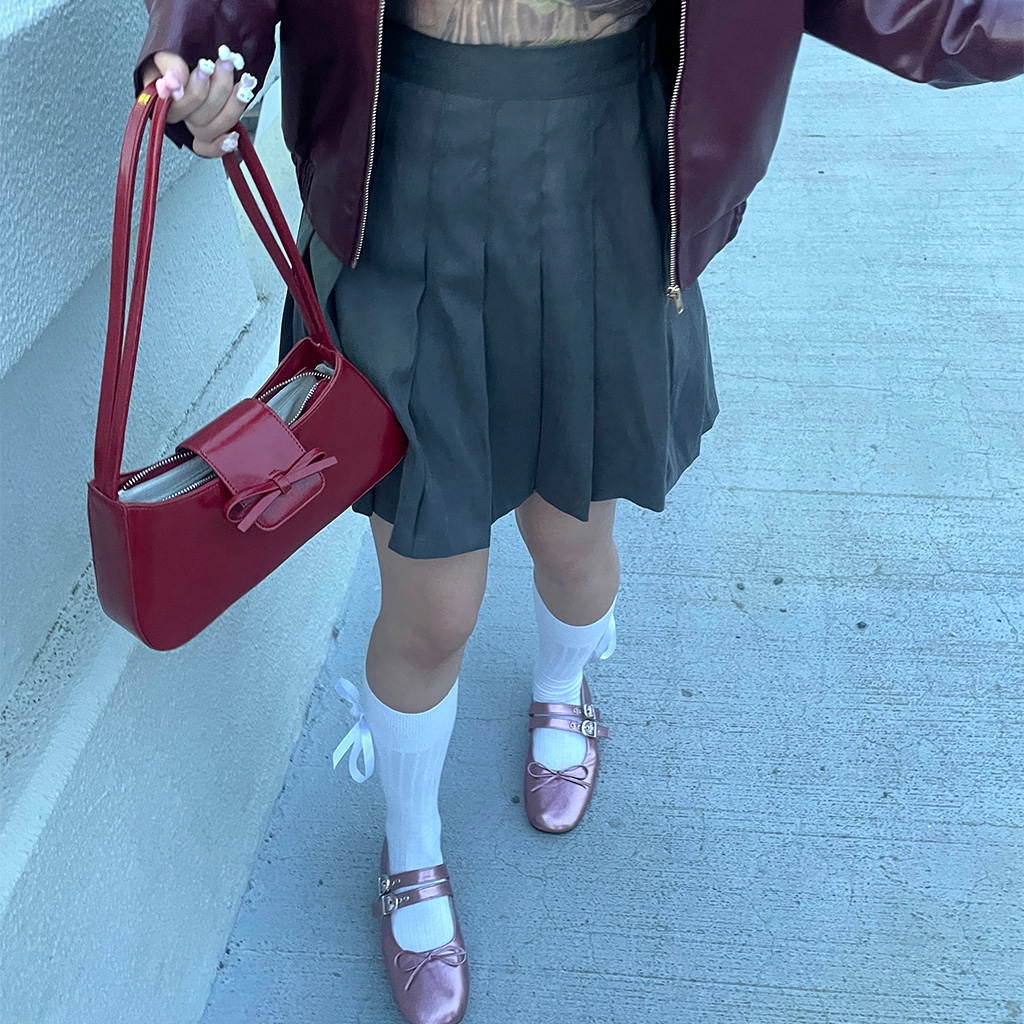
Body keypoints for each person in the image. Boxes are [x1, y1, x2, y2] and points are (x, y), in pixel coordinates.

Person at [134, 2, 1021, 1022]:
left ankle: (564, 687)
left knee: (572, 542)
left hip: (604, 175)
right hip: (401, 172)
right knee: (433, 608)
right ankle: (410, 846)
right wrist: (198, 49)